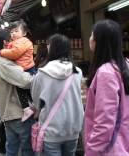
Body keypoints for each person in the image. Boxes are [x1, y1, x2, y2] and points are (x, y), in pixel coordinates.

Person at [32, 34, 84, 156]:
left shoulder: (42, 73)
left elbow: (36, 101)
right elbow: (82, 98)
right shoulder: (78, 72)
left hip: (51, 130)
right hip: (73, 128)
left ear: (52, 48)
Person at [85, 20, 129, 155]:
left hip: (110, 149)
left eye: (92, 35)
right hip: (124, 143)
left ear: (99, 41)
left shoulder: (106, 73)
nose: (90, 39)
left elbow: (104, 123)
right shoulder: (125, 65)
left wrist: (91, 152)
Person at [0, 30, 34, 156]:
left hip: (10, 113)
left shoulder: (1, 60)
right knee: (27, 149)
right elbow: (25, 81)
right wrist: (39, 76)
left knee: (12, 147)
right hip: (16, 113)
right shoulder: (4, 62)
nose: (15, 42)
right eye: (12, 40)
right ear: (6, 43)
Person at [0, 20, 36, 122]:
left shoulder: (23, 41)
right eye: (11, 32)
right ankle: (32, 107)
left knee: (22, 88)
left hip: (27, 69)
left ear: (24, 33)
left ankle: (27, 109)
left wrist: (3, 52)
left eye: (16, 31)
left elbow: (15, 53)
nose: (13, 33)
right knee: (26, 90)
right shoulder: (17, 42)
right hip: (24, 68)